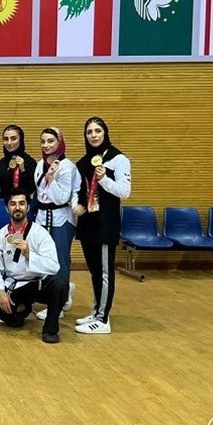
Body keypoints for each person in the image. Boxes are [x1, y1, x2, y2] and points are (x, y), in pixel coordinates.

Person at [0, 188, 67, 344]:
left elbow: (54, 266)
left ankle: (50, 330)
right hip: (14, 286)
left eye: (22, 203)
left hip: (36, 285)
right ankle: (15, 317)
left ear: (28, 207)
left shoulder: (40, 233)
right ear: (7, 208)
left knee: (60, 283)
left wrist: (29, 254)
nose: (17, 207)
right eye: (13, 204)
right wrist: (0, 291)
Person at [72, 117, 131, 334]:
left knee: (105, 271)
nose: (93, 135)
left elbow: (125, 192)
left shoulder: (118, 159)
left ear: (105, 132)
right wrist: (77, 206)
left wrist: (105, 178)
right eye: (89, 132)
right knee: (95, 271)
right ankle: (97, 310)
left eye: (97, 130)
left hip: (106, 223)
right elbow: (79, 190)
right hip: (88, 223)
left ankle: (103, 319)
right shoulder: (83, 162)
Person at [33, 127, 81, 321]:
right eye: (43, 141)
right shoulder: (40, 164)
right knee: (43, 259)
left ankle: (57, 306)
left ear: (60, 142)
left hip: (61, 217)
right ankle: (59, 293)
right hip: (42, 217)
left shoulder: (67, 166)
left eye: (51, 141)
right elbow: (39, 192)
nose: (46, 145)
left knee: (60, 260)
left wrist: (51, 178)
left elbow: (61, 197)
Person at [0, 124, 37, 200]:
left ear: (21, 140)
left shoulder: (30, 162)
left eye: (13, 138)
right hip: (1, 205)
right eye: (6, 139)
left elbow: (31, 190)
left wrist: (23, 171)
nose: (9, 143)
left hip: (23, 205)